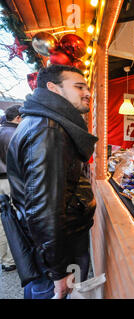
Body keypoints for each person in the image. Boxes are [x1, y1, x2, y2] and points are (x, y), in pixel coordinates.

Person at [6, 64, 98, 299]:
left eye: (87, 87)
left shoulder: (44, 122)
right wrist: (58, 271)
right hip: (57, 251)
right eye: (79, 87)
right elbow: (44, 210)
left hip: (51, 247)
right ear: (52, 89)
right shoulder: (50, 130)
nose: (87, 93)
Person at [0, 104, 22, 272]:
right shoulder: (14, 134)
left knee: (2, 221)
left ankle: (4, 258)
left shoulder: (2, 130)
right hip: (8, 181)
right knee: (13, 219)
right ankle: (10, 259)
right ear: (18, 118)